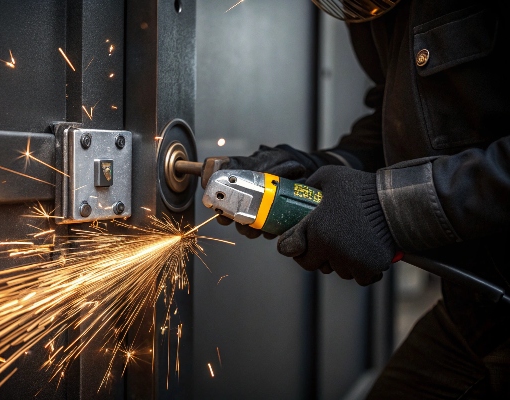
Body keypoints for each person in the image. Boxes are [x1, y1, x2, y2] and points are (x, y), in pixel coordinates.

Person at [211, 0, 510, 398]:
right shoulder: (375, 10)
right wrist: (318, 168)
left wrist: (391, 209)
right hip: (477, 311)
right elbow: (398, 119)